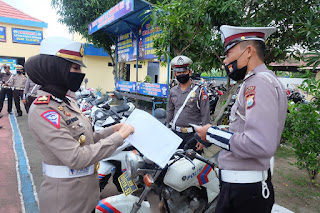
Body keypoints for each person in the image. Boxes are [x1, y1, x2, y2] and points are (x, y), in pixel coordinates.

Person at [24, 37, 135, 213]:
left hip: (86, 195)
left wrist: (111, 130)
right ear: (56, 68)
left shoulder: (67, 102)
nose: (80, 73)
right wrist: (118, 137)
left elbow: (86, 139)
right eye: (75, 67)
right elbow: (76, 157)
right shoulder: (44, 110)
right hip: (65, 202)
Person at [195, 25, 288, 213]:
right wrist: (217, 132)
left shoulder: (259, 83)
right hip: (240, 188)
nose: (225, 62)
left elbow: (259, 143)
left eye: (229, 54)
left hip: (246, 193)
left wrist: (211, 134)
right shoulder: (255, 81)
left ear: (248, 51)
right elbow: (244, 131)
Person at [166, 55, 210, 150]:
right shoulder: (173, 91)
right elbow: (170, 111)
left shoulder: (200, 90)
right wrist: (166, 130)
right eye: (178, 72)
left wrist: (203, 138)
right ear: (174, 74)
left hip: (193, 136)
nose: (181, 74)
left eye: (184, 71)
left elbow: (205, 115)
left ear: (189, 72)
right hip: (175, 134)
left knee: (192, 163)